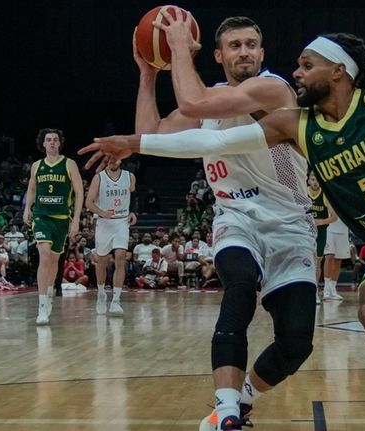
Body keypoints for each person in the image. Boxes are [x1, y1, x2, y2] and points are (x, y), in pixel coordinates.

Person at [81, 21, 365, 431]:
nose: (295, 71)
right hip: (358, 241)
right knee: (358, 310)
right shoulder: (298, 124)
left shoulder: (346, 98)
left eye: (306, 65)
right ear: (217, 54)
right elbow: (207, 136)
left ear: (338, 72)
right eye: (235, 45)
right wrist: (142, 108)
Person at [130, 12, 316, 431]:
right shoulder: (209, 97)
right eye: (235, 45)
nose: (245, 52)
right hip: (236, 218)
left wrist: (178, 49)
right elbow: (151, 135)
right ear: (218, 55)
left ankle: (244, 398)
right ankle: (227, 410)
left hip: (290, 225)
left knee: (295, 344)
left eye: (251, 44)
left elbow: (194, 103)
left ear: (262, 52)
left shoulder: (273, 89)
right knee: (239, 283)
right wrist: (148, 74)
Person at [23, 128, 84, 325]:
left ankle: (49, 292)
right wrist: (27, 209)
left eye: (55, 140)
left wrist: (75, 220)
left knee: (55, 260)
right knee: (45, 255)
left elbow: (79, 192)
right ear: (43, 143)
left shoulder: (69, 164)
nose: (51, 143)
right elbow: (32, 188)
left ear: (59, 143)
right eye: (48, 140)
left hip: (61, 218)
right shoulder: (36, 166)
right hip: (41, 216)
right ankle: (41, 306)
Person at [85, 164, 136, 315]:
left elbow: (133, 196)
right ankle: (101, 294)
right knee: (102, 261)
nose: (113, 162)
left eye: (116, 158)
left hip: (122, 221)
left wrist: (133, 211)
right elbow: (88, 203)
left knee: (120, 258)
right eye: (110, 159)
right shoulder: (99, 178)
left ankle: (116, 301)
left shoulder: (129, 176)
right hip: (104, 222)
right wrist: (101, 212)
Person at [307, 172, 337, 303]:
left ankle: (314, 291)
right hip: (304, 231)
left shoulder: (324, 195)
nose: (315, 182)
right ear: (308, 180)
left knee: (317, 262)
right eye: (312, 179)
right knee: (302, 259)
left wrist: (321, 221)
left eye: (317, 180)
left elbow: (334, 217)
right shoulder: (303, 192)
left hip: (320, 232)